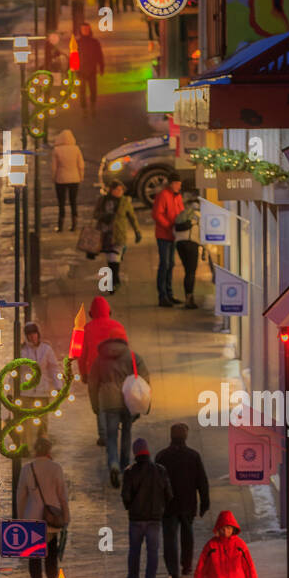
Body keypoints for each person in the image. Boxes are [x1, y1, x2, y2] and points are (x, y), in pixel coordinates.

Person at [89, 334, 150, 488]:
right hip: (129, 400)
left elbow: (92, 384)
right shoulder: (133, 357)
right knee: (126, 433)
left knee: (111, 436)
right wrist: (143, 403)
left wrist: (96, 406)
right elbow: (145, 380)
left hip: (108, 402)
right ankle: (124, 466)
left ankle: (113, 463)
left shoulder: (100, 359)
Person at [155, 423, 210, 578]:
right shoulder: (193, 455)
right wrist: (204, 502)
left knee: (169, 538)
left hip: (168, 505)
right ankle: (186, 565)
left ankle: (173, 571)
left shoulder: (161, 456)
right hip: (188, 503)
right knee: (187, 534)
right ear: (185, 436)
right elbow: (202, 481)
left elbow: (156, 483)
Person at [16, 436, 70, 578]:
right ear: (48, 450)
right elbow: (62, 495)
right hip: (51, 517)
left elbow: (21, 496)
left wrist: (21, 519)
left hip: (32, 518)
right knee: (51, 552)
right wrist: (66, 517)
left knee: (34, 554)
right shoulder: (56, 468)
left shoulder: (27, 469)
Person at [121, 438, 172, 578]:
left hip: (136, 519)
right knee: (153, 554)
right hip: (154, 519)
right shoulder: (160, 470)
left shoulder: (130, 471)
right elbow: (169, 494)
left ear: (135, 453)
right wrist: (161, 507)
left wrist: (130, 507)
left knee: (134, 551)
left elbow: (126, 496)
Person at [90, 179, 141, 287]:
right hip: (105, 234)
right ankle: (115, 279)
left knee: (114, 257)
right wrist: (103, 216)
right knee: (110, 257)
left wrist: (137, 231)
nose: (119, 192)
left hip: (119, 233)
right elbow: (95, 214)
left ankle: (113, 280)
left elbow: (132, 217)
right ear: (111, 190)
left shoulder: (125, 201)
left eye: (121, 190)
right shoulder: (103, 200)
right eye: (117, 189)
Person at [77, 295, 127, 382]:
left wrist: (83, 374)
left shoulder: (86, 329)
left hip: (94, 371)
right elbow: (125, 351)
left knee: (95, 394)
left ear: (91, 314)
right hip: (114, 370)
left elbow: (82, 356)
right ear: (109, 312)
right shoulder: (118, 326)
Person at [152, 176, 184, 307]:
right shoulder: (164, 195)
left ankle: (169, 294)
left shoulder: (177, 196)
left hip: (173, 235)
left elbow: (180, 212)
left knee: (170, 264)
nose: (179, 187)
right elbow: (157, 214)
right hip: (164, 235)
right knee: (165, 264)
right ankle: (163, 295)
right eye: (177, 184)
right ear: (172, 184)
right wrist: (169, 226)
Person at [51, 129, 84, 232]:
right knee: (73, 201)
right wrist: (81, 176)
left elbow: (53, 167)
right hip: (75, 179)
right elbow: (81, 165)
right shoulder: (76, 149)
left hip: (60, 179)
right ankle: (74, 225)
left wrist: (53, 178)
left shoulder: (57, 150)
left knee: (61, 203)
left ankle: (60, 226)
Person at [173, 193, 202, 308]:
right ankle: (189, 300)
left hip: (180, 244)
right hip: (192, 243)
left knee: (187, 271)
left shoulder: (182, 214)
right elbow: (203, 233)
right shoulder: (199, 216)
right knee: (191, 272)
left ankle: (188, 297)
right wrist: (204, 249)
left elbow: (174, 230)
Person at [20, 322, 61, 398]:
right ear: (26, 336)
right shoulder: (22, 351)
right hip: (26, 393)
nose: (32, 336)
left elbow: (54, 369)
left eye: (34, 333)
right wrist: (10, 392)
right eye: (29, 334)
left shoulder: (46, 349)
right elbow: (15, 371)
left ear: (38, 334)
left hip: (43, 391)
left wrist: (58, 387)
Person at [77, 23, 104, 113]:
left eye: (87, 29)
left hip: (92, 69)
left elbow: (99, 55)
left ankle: (92, 105)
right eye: (83, 29)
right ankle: (84, 108)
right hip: (80, 70)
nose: (85, 31)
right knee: (82, 90)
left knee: (93, 89)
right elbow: (73, 56)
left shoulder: (95, 42)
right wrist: (72, 69)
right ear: (80, 31)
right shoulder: (77, 43)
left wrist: (101, 66)